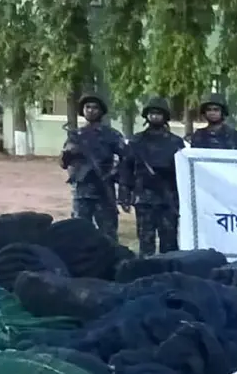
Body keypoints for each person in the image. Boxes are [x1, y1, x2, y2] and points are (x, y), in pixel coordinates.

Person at [119, 97, 186, 257]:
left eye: (158, 113)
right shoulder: (136, 141)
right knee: (145, 242)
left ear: (165, 116)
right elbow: (126, 168)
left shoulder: (175, 142)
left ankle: (170, 270)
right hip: (144, 199)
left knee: (169, 243)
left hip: (168, 199)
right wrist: (124, 193)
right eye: (152, 113)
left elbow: (183, 172)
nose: (155, 116)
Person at [60, 93, 126, 240]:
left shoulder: (111, 135)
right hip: (82, 192)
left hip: (104, 190)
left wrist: (114, 174)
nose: (91, 110)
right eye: (87, 107)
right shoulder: (75, 135)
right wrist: (69, 153)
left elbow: (126, 159)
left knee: (108, 235)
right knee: (80, 234)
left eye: (95, 107)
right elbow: (63, 164)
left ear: (101, 111)